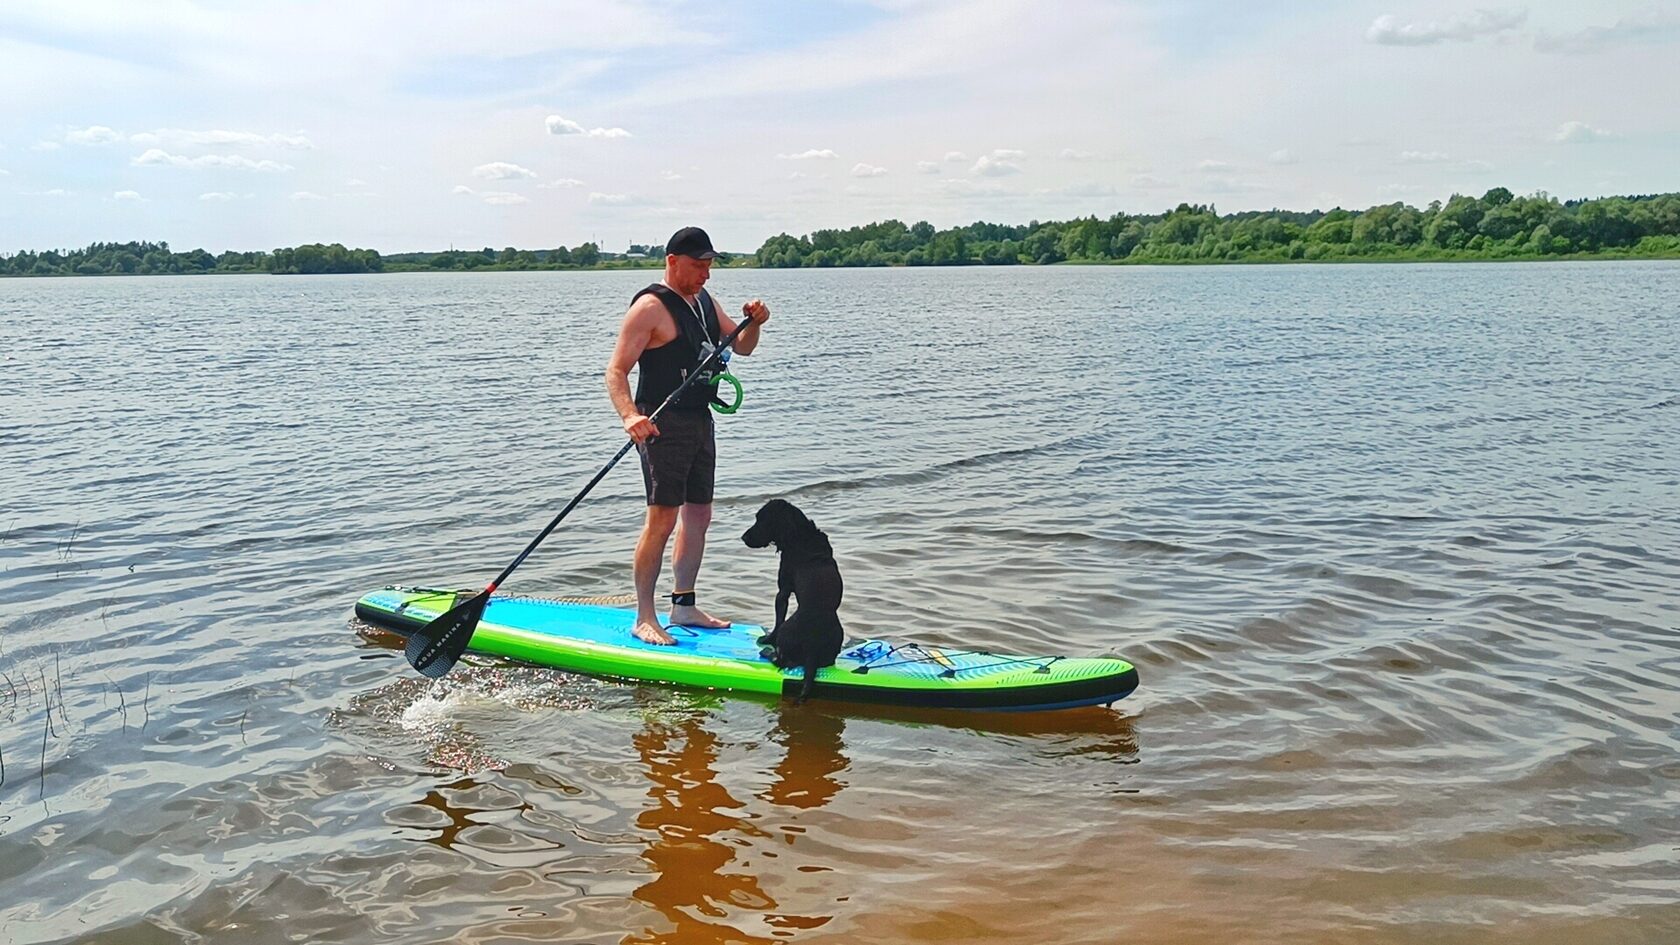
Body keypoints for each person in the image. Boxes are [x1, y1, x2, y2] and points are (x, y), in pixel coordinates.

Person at [606, 226, 768, 645]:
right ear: (673, 261)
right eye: (699, 266)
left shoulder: (704, 303)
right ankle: (644, 616)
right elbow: (617, 370)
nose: (706, 274)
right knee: (662, 518)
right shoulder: (649, 308)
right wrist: (628, 416)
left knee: (699, 515)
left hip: (699, 419)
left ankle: (683, 604)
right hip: (660, 423)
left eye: (710, 265)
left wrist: (755, 322)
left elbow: (744, 347)